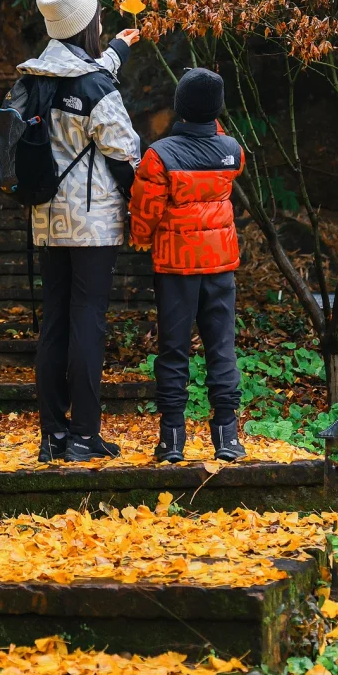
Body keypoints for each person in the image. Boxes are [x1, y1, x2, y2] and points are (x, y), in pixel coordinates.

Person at [20, 0, 141, 462]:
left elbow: (81, 79)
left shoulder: (33, 78)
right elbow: (124, 150)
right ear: (87, 28)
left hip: (47, 217)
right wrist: (141, 202)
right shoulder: (96, 88)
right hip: (91, 224)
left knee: (54, 322)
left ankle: (53, 435)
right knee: (88, 322)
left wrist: (118, 51)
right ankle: (86, 435)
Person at [128, 66, 246, 463]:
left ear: (179, 106)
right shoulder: (232, 150)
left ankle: (172, 439)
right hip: (220, 264)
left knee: (174, 350)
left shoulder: (160, 155)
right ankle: (227, 436)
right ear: (218, 108)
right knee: (222, 348)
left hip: (176, 268)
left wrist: (141, 238)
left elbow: (145, 211)